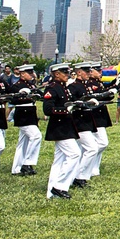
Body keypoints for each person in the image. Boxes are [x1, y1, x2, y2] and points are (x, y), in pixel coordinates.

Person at [41, 63, 82, 199]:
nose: (67, 75)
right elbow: (47, 109)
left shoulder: (64, 88)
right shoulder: (52, 88)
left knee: (59, 160)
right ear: (56, 74)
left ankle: (51, 191)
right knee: (74, 154)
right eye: (64, 73)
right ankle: (59, 187)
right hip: (59, 127)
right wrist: (64, 110)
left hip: (66, 126)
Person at [68, 63, 100, 188]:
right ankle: (78, 176)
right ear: (79, 72)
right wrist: (85, 103)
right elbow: (72, 103)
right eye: (86, 72)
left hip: (86, 120)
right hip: (79, 120)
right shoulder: (73, 87)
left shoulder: (85, 86)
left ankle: (81, 177)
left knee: (87, 149)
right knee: (92, 148)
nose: (89, 74)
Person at [9, 64, 42, 177]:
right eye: (29, 72)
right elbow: (12, 100)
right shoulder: (17, 86)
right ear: (22, 74)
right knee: (36, 136)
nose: (32, 74)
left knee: (23, 143)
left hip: (31, 113)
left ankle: (16, 168)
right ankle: (27, 163)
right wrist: (24, 96)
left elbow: (40, 96)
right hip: (22, 114)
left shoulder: (31, 85)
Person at [86, 62, 114, 177]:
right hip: (94, 114)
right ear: (91, 72)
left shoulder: (98, 83)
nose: (100, 73)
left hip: (100, 113)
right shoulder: (90, 84)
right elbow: (97, 95)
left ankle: (94, 167)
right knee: (102, 143)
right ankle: (88, 164)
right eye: (98, 71)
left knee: (100, 143)